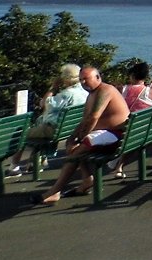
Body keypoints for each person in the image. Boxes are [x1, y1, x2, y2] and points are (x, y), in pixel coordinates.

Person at [33, 66, 130, 204]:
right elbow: (85, 119)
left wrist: (81, 138)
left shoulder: (104, 90)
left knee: (76, 153)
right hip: (107, 134)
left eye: (87, 79)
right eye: (81, 80)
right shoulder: (92, 93)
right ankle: (87, 180)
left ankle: (54, 192)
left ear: (98, 77)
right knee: (71, 146)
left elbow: (93, 117)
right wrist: (73, 137)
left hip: (116, 135)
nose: (84, 82)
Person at [8, 63, 89, 176]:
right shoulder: (85, 92)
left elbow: (44, 103)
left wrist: (53, 88)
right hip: (70, 129)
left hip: (54, 130)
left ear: (65, 79)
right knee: (43, 124)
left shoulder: (67, 94)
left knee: (20, 134)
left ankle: (14, 167)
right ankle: (35, 163)